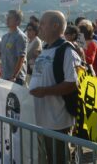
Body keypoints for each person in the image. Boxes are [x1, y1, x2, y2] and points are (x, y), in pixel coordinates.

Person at [29, 10, 81, 164]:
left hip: (58, 121)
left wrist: (45, 91)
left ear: (55, 26)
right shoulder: (46, 49)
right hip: (41, 119)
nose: (40, 27)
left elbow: (71, 83)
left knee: (58, 160)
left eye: (43, 24)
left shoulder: (66, 51)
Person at [1, 10, 28, 86]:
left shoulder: (20, 37)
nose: (7, 19)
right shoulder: (4, 37)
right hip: (4, 76)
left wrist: (14, 76)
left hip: (15, 78)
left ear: (17, 21)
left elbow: (21, 58)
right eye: (7, 17)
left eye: (10, 18)